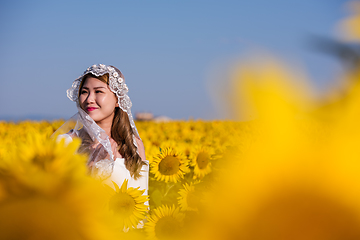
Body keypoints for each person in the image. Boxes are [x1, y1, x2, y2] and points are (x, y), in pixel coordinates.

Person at [55, 64, 148, 197]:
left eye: (98, 91)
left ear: (118, 99)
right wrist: (92, 165)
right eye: (84, 92)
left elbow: (142, 201)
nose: (89, 99)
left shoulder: (133, 145)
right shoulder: (66, 143)